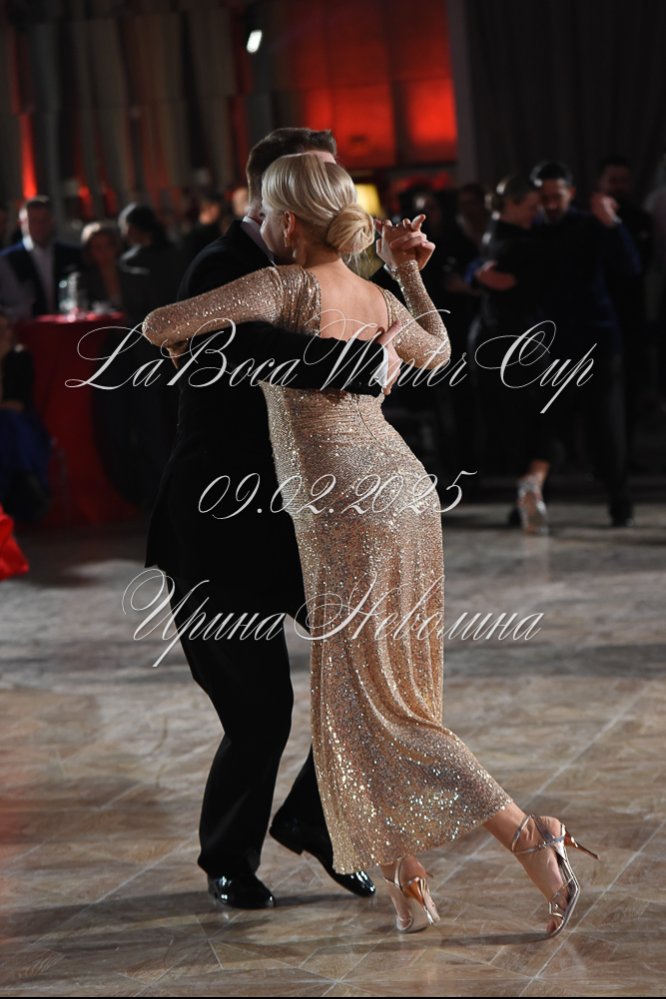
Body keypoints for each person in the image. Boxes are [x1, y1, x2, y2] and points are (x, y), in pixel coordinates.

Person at [143, 153, 600, 937]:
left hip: (346, 510)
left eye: (265, 210)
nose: (258, 221)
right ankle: (406, 881)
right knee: (365, 706)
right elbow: (439, 350)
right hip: (404, 491)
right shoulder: (375, 293)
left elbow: (158, 324)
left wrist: (205, 340)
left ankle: (531, 833)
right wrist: (406, 272)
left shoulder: (281, 286)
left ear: (288, 221)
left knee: (385, 710)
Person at [144, 127, 399, 910]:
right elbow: (255, 347)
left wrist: (402, 281)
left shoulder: (315, 265)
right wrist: (365, 361)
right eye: (316, 182)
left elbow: (388, 326)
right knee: (260, 711)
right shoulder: (220, 267)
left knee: (370, 678)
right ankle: (228, 856)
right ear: (274, 190)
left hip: (298, 523)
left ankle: (315, 820)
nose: (330, 199)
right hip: (217, 528)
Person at [530, 160, 640, 527]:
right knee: (548, 424)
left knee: (607, 427)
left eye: (556, 196)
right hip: (552, 347)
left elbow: (629, 267)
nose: (550, 204)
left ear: (571, 193)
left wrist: (612, 224)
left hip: (598, 343)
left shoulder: (591, 226)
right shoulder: (532, 231)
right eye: (543, 197)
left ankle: (620, 502)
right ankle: (533, 500)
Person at [470, 175, 555, 534]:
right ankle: (531, 485)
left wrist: (478, 276)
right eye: (531, 206)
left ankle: (528, 490)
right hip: (520, 340)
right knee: (539, 415)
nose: (537, 212)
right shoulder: (522, 243)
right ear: (512, 204)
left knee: (522, 418)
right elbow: (507, 282)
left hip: (496, 339)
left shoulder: (495, 235)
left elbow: (489, 277)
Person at [1, 196, 82, 316]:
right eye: (33, 221)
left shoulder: (71, 254)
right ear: (21, 223)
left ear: (52, 221)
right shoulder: (8, 260)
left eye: (44, 220)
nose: (39, 226)